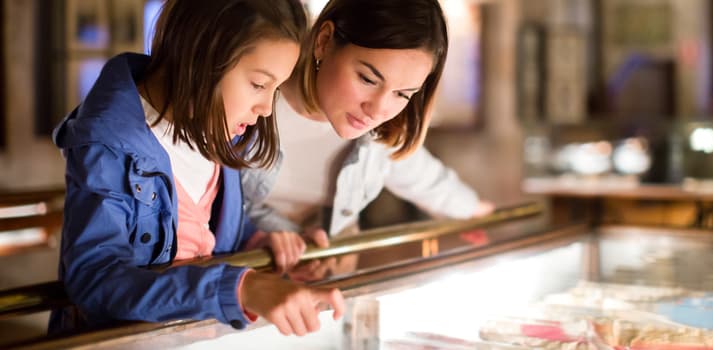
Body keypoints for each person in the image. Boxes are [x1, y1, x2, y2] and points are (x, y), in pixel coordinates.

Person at [50, 0, 343, 337]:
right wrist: (242, 289)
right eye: (259, 85)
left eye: (274, 89)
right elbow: (96, 279)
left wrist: (262, 242)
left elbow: (204, 230)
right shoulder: (108, 145)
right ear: (203, 56)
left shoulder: (212, 127)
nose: (265, 108)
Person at [241, 0, 495, 269]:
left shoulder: (382, 134)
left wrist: (477, 213)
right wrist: (282, 238)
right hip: (241, 280)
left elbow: (427, 180)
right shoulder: (249, 106)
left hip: (326, 287)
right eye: (368, 79)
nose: (378, 109)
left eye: (402, 94)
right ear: (324, 41)